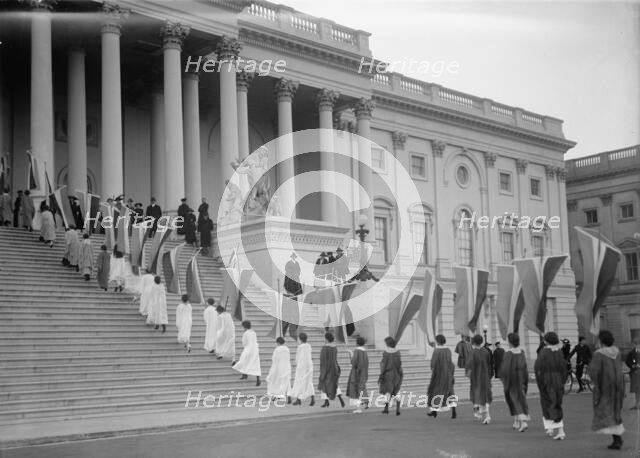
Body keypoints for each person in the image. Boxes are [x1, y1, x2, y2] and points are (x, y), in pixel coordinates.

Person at [590, 330, 625, 450]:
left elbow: (594, 372)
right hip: (617, 387)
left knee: (606, 412)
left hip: (605, 388)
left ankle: (617, 440)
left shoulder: (598, 354)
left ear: (601, 340)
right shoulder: (617, 352)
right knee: (615, 412)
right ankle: (617, 439)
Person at [534, 331, 568, 440]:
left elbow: (538, 368)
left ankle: (552, 428)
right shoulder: (559, 352)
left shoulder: (543, 353)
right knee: (557, 404)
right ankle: (558, 430)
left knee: (548, 404)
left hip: (547, 381)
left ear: (546, 341)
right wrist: (562, 381)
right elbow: (564, 368)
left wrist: (540, 383)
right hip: (558, 380)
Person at [498, 333, 530, 432]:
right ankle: (516, 422)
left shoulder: (508, 354)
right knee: (520, 400)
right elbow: (524, 367)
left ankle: (523, 421)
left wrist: (503, 378)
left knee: (514, 401)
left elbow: (505, 369)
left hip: (512, 381)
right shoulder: (522, 352)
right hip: (521, 380)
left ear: (510, 342)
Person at [426, 334, 457, 419]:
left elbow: (433, 363)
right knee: (450, 391)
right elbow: (450, 363)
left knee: (435, 391)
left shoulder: (437, 351)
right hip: (448, 373)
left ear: (438, 341)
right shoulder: (448, 350)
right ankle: (454, 411)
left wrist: (433, 370)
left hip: (439, 374)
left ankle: (434, 411)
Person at [466, 334, 492, 424]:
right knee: (485, 395)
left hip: (476, 377)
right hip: (485, 376)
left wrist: (468, 374)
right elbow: (489, 363)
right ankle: (486, 415)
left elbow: (469, 365)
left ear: (473, 342)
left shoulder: (472, 352)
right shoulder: (486, 351)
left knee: (477, 395)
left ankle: (480, 412)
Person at [318, 332, 345, 408]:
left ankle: (326, 401)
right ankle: (340, 399)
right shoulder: (334, 347)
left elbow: (323, 360)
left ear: (326, 339)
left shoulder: (325, 348)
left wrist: (322, 370)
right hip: (334, 368)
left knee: (324, 384)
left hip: (327, 368)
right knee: (334, 384)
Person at [379, 336, 403, 416]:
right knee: (397, 389)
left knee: (388, 391)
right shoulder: (398, 352)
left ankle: (386, 409)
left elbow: (383, 365)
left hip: (388, 374)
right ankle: (398, 409)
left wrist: (381, 374)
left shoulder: (385, 353)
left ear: (387, 343)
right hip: (396, 373)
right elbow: (399, 364)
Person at [233, 320, 262, 386]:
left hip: (248, 348)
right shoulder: (253, 332)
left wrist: (246, 347)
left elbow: (244, 342)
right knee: (255, 364)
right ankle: (258, 379)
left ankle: (244, 374)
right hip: (255, 349)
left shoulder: (246, 333)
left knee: (244, 361)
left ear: (244, 326)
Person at [346, 336, 369, 413]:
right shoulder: (365, 351)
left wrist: (351, 353)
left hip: (356, 373)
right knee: (362, 388)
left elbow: (354, 362)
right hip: (364, 372)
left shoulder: (357, 351)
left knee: (356, 390)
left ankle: (358, 408)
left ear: (356, 343)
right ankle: (366, 402)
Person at [291, 332, 314, 406]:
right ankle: (312, 398)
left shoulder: (300, 347)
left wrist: (296, 363)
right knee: (309, 382)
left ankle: (298, 399)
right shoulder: (309, 346)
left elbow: (298, 358)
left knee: (299, 382)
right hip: (309, 366)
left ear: (300, 339)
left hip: (301, 367)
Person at [266, 337, 292, 401]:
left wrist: (273, 369)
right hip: (287, 367)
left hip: (279, 368)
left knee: (276, 382)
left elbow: (274, 359)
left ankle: (275, 396)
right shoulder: (287, 349)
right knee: (287, 382)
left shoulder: (277, 350)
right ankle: (289, 396)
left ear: (277, 342)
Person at [625, 334, 640, 410]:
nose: (637, 346)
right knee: (637, 389)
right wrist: (633, 365)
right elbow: (628, 361)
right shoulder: (632, 353)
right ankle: (637, 404)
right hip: (635, 373)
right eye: (636, 344)